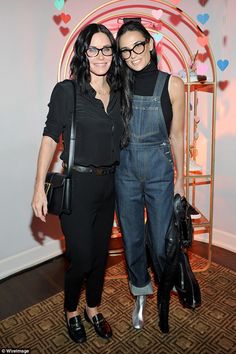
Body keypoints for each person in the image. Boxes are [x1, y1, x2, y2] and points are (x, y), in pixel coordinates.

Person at [32, 23, 124, 344]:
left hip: (110, 185)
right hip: (78, 186)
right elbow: (48, 139)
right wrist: (37, 188)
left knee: (101, 255)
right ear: (83, 53)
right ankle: (71, 310)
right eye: (93, 49)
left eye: (107, 49)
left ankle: (93, 308)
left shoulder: (119, 92)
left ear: (114, 53)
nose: (101, 56)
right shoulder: (67, 91)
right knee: (82, 257)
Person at [115, 20, 185, 333]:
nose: (132, 55)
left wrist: (181, 179)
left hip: (160, 173)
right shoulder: (118, 86)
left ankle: (165, 299)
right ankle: (141, 294)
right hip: (125, 171)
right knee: (131, 239)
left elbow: (178, 135)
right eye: (125, 50)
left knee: (162, 244)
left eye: (138, 46)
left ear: (150, 44)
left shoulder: (173, 85)